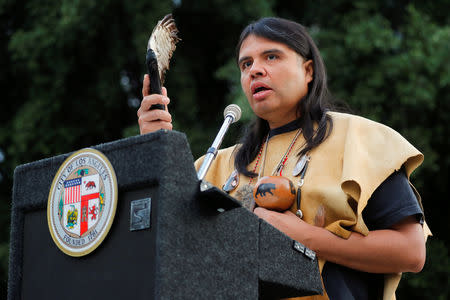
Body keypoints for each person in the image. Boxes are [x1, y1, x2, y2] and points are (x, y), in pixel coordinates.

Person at [138, 17, 430, 300]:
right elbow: (161, 243)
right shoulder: (213, 166)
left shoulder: (358, 138)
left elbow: (411, 251)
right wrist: (154, 146)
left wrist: (303, 237)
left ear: (308, 70)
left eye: (272, 57)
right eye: (246, 64)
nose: (255, 70)